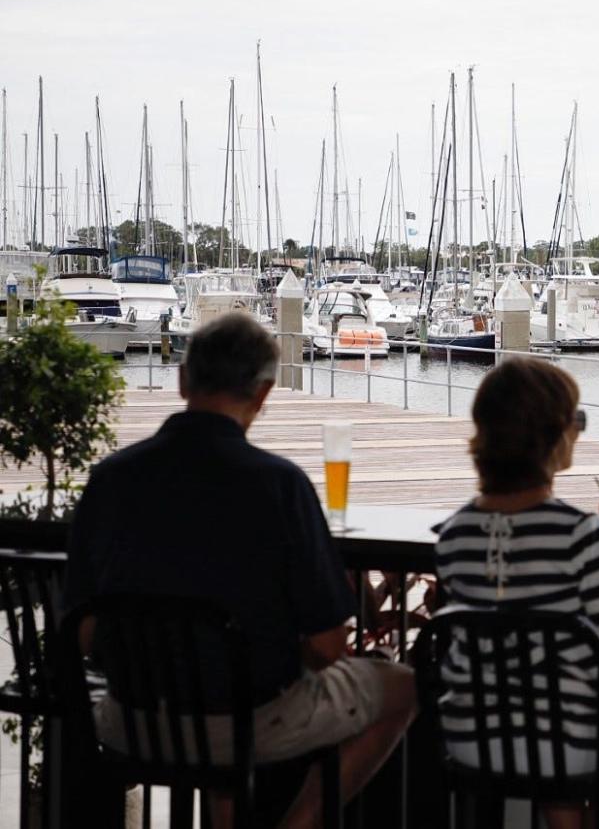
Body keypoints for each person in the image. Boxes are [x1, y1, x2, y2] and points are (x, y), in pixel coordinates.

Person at [63, 313, 418, 828]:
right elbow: (327, 649)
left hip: (132, 720)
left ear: (183, 380)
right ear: (264, 393)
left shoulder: (110, 479)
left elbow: (83, 630)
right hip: (244, 723)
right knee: (404, 686)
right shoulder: (280, 486)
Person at [434, 357, 599, 829]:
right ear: (555, 438)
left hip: (472, 740)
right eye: (576, 420)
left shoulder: (453, 534)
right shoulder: (581, 534)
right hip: (567, 745)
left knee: (548, 747)